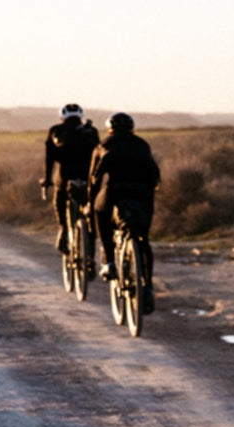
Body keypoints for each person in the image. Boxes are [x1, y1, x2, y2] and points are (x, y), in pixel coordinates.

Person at [89, 112, 161, 311]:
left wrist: (90, 202)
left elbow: (95, 180)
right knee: (142, 238)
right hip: (142, 193)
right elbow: (155, 175)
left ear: (110, 129)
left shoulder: (103, 145)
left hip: (115, 190)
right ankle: (147, 284)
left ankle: (110, 263)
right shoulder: (142, 144)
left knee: (100, 213)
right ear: (132, 128)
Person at [41, 103, 99, 262]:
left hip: (65, 175)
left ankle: (63, 230)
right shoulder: (91, 130)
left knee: (60, 200)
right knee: (90, 210)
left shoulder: (56, 130)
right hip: (87, 177)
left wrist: (47, 179)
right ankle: (90, 255)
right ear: (80, 115)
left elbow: (50, 158)